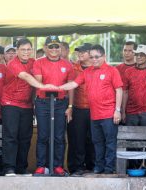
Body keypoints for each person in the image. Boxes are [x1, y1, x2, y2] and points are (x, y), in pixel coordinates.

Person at [60, 44, 123, 174]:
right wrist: (55, 87)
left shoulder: (112, 70)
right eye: (92, 57)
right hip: (94, 114)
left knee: (110, 143)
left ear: (104, 56)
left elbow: (119, 90)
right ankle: (98, 167)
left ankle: (109, 168)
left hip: (109, 114)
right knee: (97, 142)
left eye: (97, 57)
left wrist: (117, 110)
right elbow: (73, 84)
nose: (94, 59)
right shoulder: (87, 72)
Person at [1, 38, 55, 176]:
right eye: (23, 50)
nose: (26, 52)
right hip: (10, 104)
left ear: (32, 50)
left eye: (28, 49)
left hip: (27, 105)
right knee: (11, 136)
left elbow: (42, 74)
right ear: (17, 51)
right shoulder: (13, 63)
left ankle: (21, 167)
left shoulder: (34, 62)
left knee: (25, 137)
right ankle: (9, 168)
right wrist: (42, 86)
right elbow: (25, 76)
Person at [33, 35, 74, 176]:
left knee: (59, 136)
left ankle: (58, 166)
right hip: (43, 102)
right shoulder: (38, 63)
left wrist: (70, 106)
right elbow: (39, 82)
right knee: (43, 135)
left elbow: (71, 87)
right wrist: (52, 87)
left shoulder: (67, 65)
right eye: (51, 46)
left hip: (61, 103)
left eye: (57, 46)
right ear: (45, 48)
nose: (54, 49)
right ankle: (41, 166)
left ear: (61, 48)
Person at [67, 43, 95, 176]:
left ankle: (92, 165)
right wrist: (70, 107)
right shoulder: (74, 68)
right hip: (77, 108)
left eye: (83, 51)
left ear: (90, 53)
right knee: (77, 139)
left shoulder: (98, 67)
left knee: (93, 139)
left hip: (95, 109)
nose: (80, 54)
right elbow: (70, 88)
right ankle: (76, 167)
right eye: (79, 51)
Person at [122, 44, 146, 126]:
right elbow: (125, 92)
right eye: (137, 54)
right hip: (131, 112)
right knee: (130, 138)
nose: (138, 57)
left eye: (142, 55)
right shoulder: (128, 71)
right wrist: (122, 112)